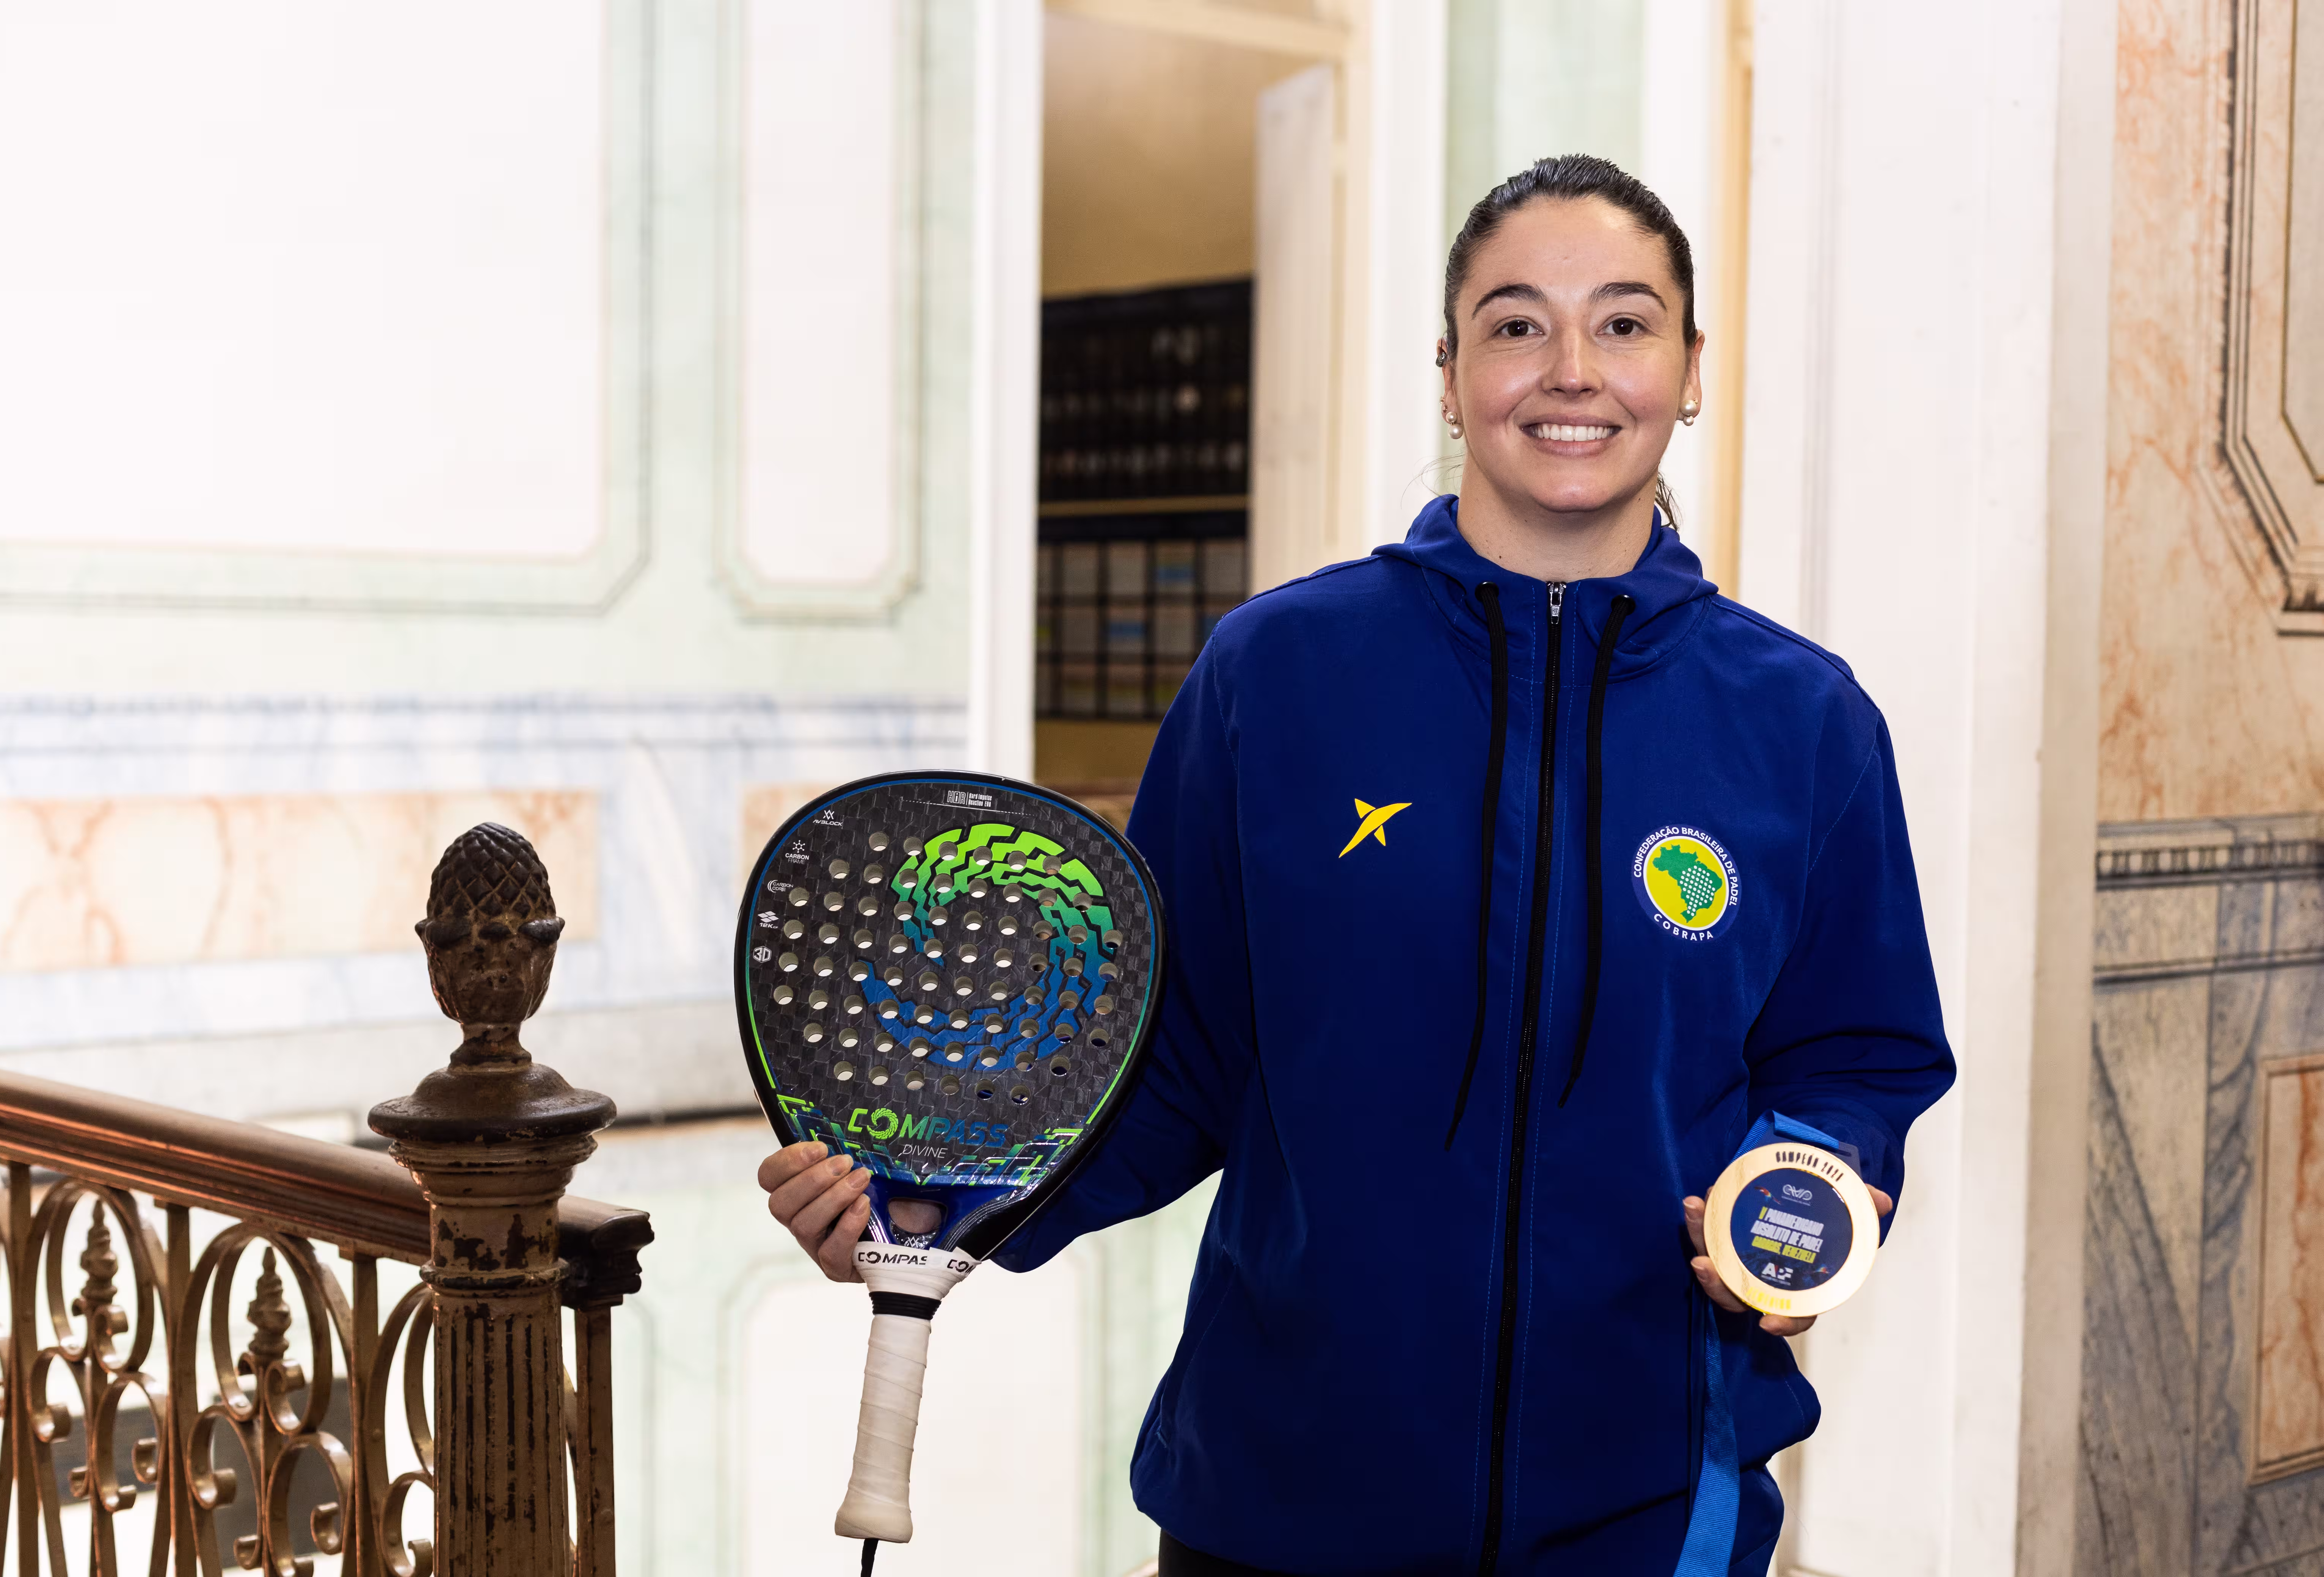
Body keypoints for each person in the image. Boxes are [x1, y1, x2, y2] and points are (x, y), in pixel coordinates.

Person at [759, 154, 1955, 1576]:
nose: (1572, 369)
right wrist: (941, 1204)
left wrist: (1803, 1191)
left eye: (1626, 324)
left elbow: (1856, 1063)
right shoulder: (1276, 673)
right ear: (1451, 377)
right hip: (1276, 1500)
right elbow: (1167, 1055)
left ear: (1691, 371)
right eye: (1517, 325)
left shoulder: (1805, 721)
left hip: (1650, 1515)